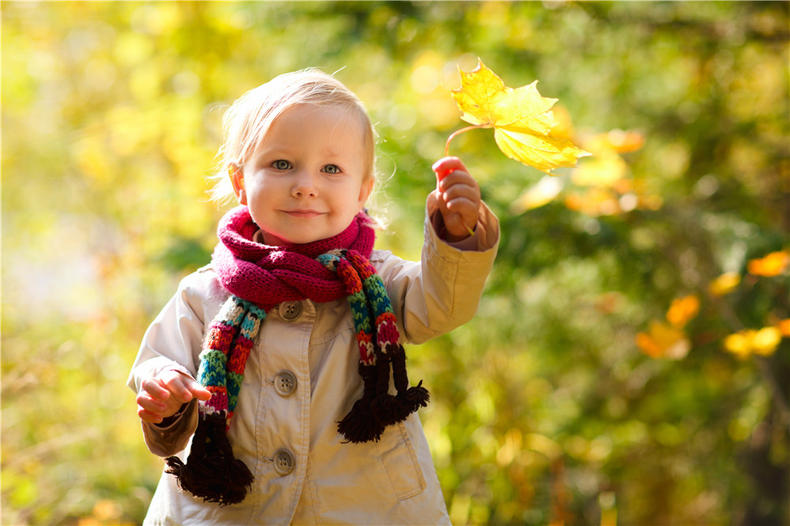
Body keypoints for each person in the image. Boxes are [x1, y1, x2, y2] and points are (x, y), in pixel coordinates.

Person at [128, 68, 499, 525]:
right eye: (282, 164)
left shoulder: (378, 282)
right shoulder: (206, 291)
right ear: (241, 180)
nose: (306, 184)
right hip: (229, 513)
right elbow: (158, 362)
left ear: (362, 190)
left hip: (365, 508)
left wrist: (455, 236)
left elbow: (443, 305)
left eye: (331, 169)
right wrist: (165, 393)